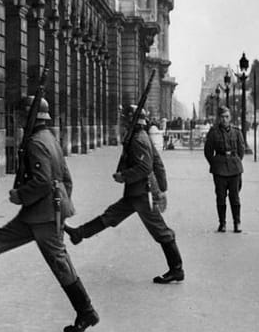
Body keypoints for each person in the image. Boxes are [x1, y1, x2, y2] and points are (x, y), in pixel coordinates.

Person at [0, 97, 99, 332]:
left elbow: (43, 182)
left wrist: (20, 195)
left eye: (21, 115)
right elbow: (66, 178)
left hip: (42, 215)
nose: (18, 119)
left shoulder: (35, 142)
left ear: (28, 116)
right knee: (0, 240)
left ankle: (86, 311)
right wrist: (62, 207)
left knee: (59, 262)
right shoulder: (50, 138)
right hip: (41, 212)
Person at [64, 105, 185, 285]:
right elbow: (158, 163)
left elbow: (145, 167)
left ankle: (177, 269)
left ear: (130, 120)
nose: (122, 122)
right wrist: (163, 188)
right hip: (136, 194)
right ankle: (79, 233)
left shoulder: (138, 139)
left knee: (161, 231)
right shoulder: (141, 136)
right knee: (110, 216)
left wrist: (124, 176)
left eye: (125, 120)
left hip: (142, 194)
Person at [203, 106, 245, 233]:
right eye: (222, 117)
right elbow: (208, 151)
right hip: (219, 169)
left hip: (234, 168)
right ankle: (222, 223)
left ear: (230, 117)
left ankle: (237, 223)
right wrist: (216, 163)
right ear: (218, 118)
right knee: (220, 197)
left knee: (235, 197)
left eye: (227, 117)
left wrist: (235, 161)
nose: (224, 119)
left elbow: (241, 150)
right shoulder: (213, 132)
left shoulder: (237, 132)